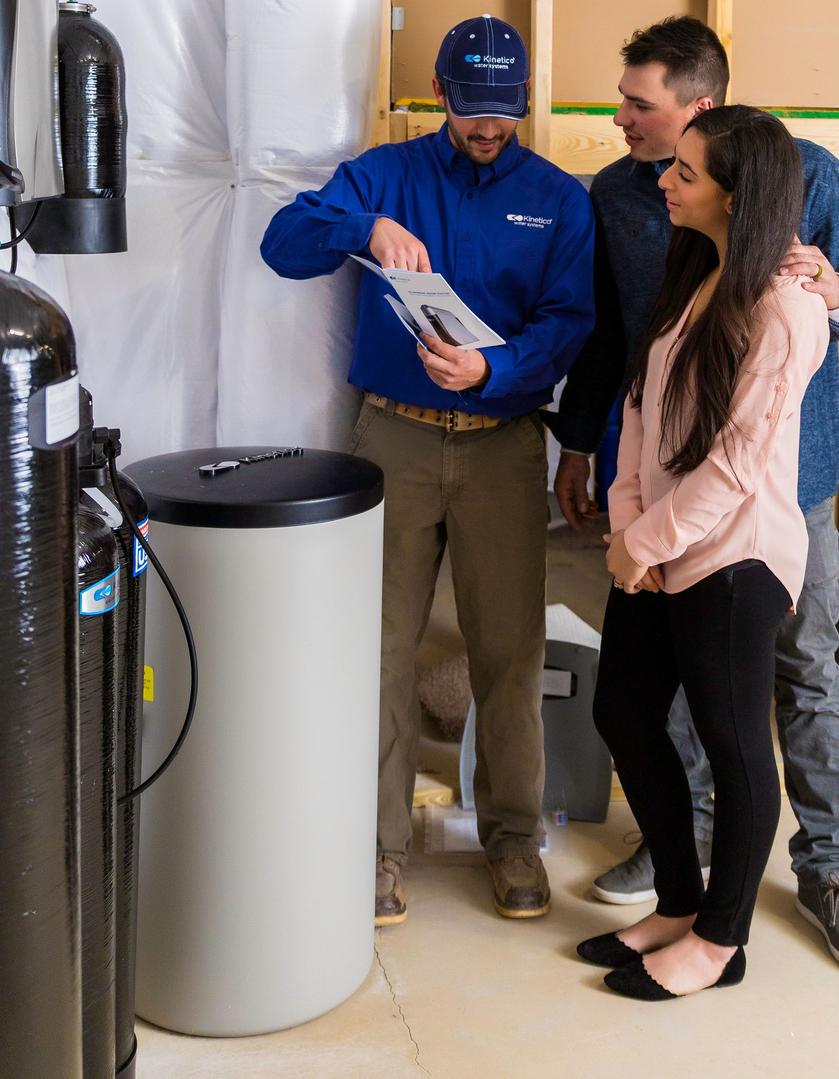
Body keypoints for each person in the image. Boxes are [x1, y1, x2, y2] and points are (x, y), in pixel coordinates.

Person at [547, 16, 839, 976]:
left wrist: (832, 285)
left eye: (638, 103)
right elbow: (621, 344)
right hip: (664, 494)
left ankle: (826, 870)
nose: (620, 118)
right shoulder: (623, 198)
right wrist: (590, 458)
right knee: (665, 702)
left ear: (698, 109)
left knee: (801, 675)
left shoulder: (806, 175)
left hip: (781, 490)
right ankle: (690, 862)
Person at [260, 15, 594, 925]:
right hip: (394, 440)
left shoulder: (557, 199)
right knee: (379, 647)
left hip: (503, 442)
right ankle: (378, 846)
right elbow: (282, 242)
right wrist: (365, 227)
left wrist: (493, 369)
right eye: (473, 108)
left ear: (525, 99)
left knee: (509, 650)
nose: (488, 127)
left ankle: (513, 837)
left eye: (504, 111)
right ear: (440, 94)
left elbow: (569, 322)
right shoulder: (386, 175)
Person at [577, 104, 829, 1000]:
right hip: (656, 544)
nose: (665, 180)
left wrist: (644, 540)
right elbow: (640, 407)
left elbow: (736, 465)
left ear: (736, 194)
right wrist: (629, 524)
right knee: (623, 712)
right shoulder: (693, 271)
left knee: (733, 743)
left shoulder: (787, 309)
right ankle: (679, 903)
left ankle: (722, 940)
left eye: (685, 171)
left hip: (735, 558)